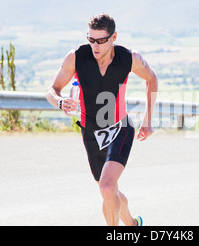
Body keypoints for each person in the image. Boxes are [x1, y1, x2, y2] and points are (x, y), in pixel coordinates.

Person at [46, 14, 158, 226]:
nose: (94, 46)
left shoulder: (129, 58)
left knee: (107, 188)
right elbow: (52, 90)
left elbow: (152, 79)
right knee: (109, 192)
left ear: (113, 37)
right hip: (90, 134)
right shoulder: (76, 57)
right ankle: (133, 225)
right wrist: (60, 102)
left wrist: (147, 120)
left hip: (120, 129)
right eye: (91, 40)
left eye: (101, 41)